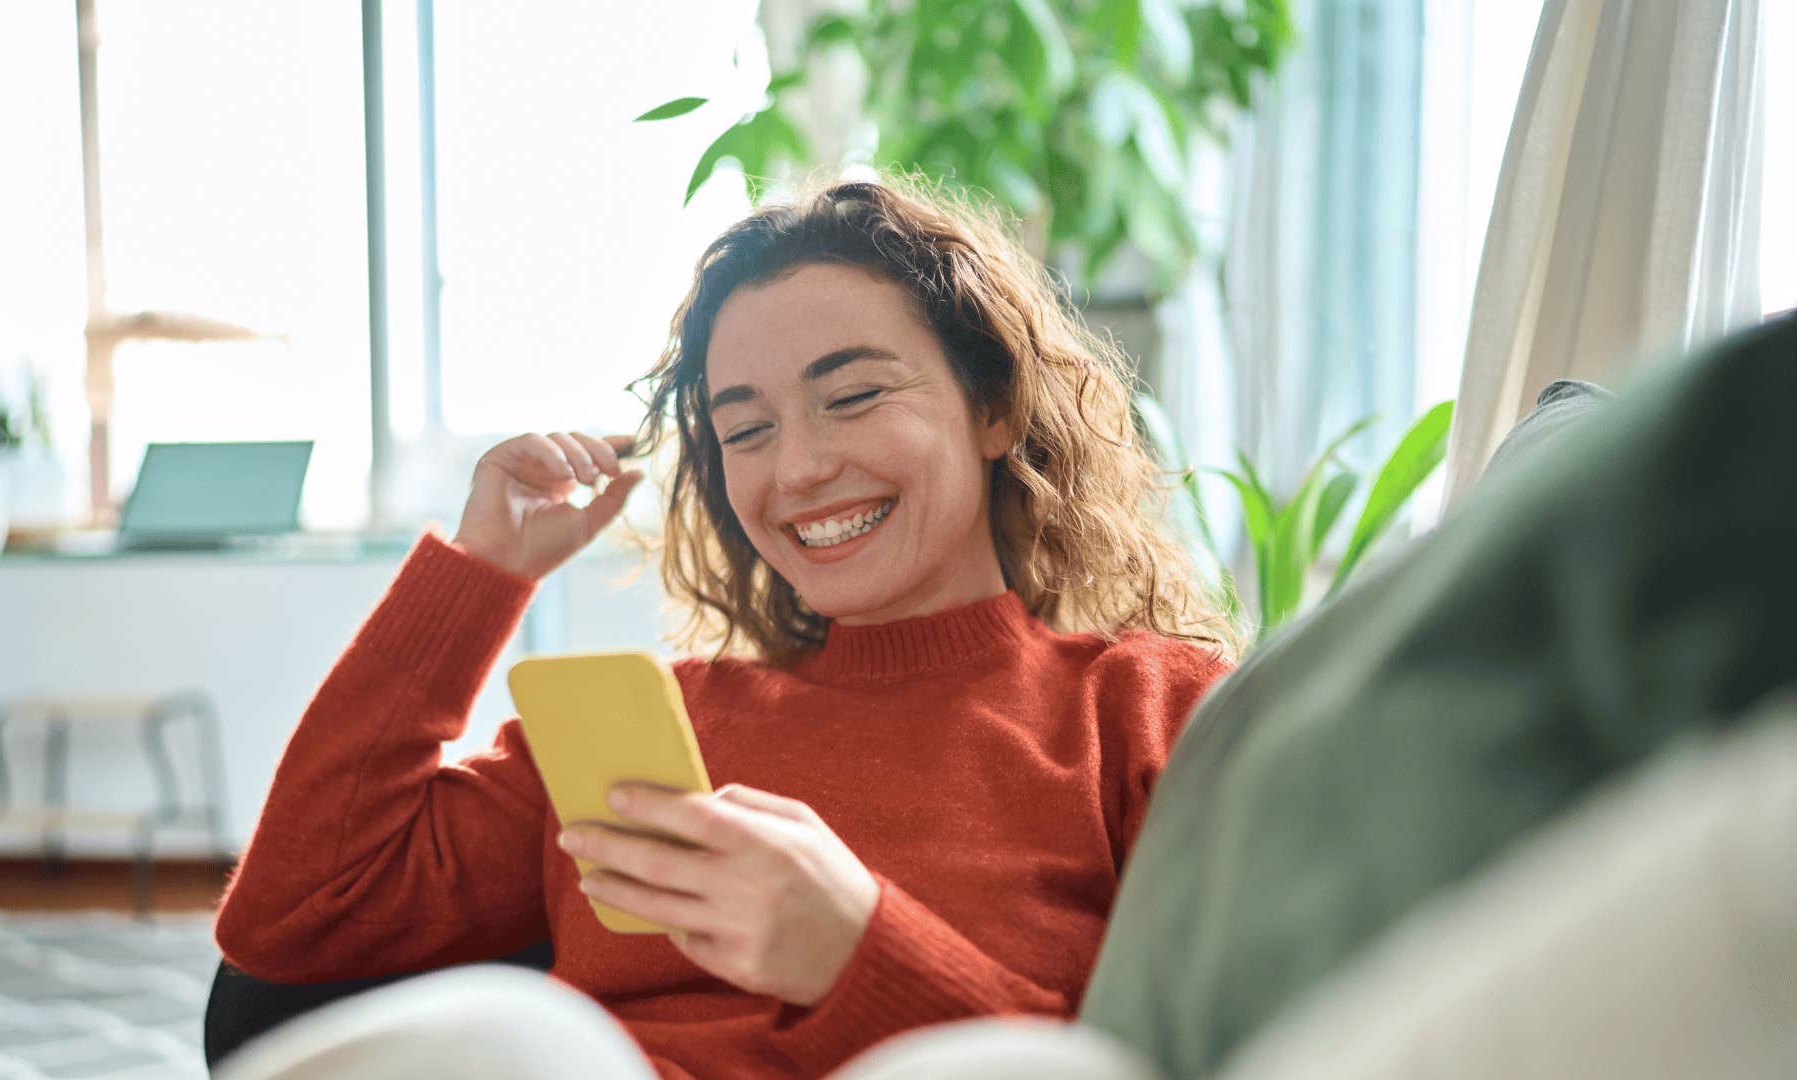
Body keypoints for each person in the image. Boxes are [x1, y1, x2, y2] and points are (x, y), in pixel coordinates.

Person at [212, 178, 1237, 1079]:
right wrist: (479, 577)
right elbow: (295, 918)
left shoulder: (1148, 713)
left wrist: (861, 953)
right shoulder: (655, 737)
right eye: (745, 429)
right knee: (515, 1042)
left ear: (995, 407)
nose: (797, 470)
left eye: (853, 395)